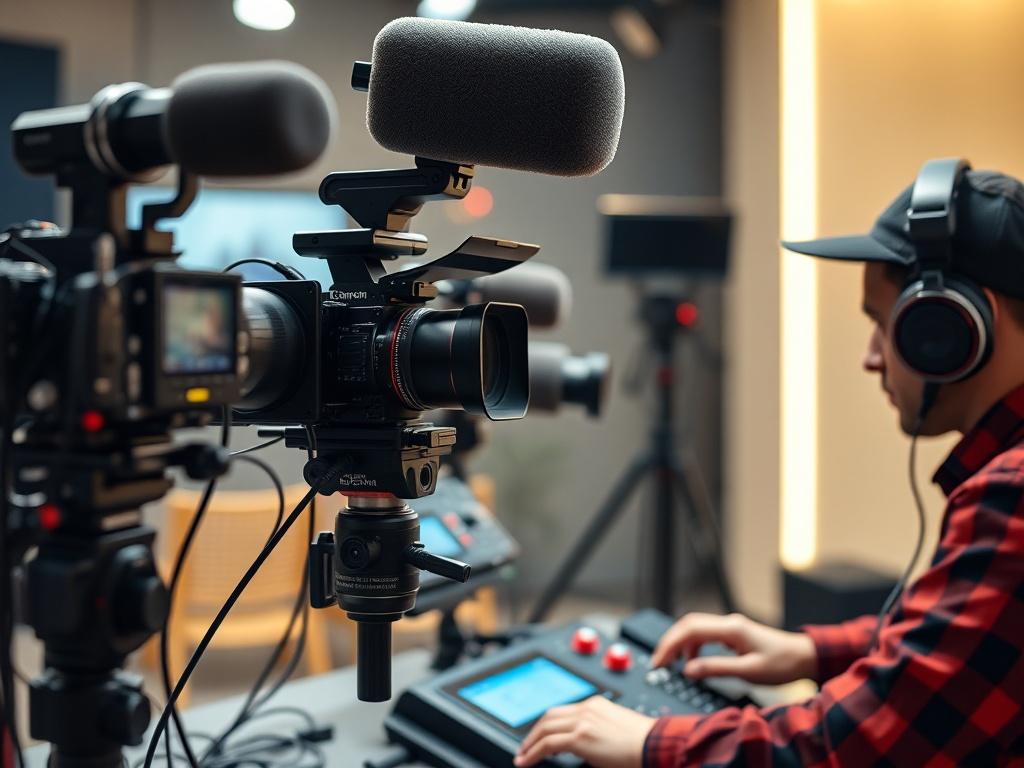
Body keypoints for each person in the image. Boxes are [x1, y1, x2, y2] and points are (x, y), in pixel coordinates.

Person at [515, 160, 1024, 767]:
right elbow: (964, 647)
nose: (869, 358)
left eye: (883, 326)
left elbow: (848, 750)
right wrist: (809, 651)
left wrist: (653, 742)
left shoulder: (1011, 494)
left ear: (952, 329)